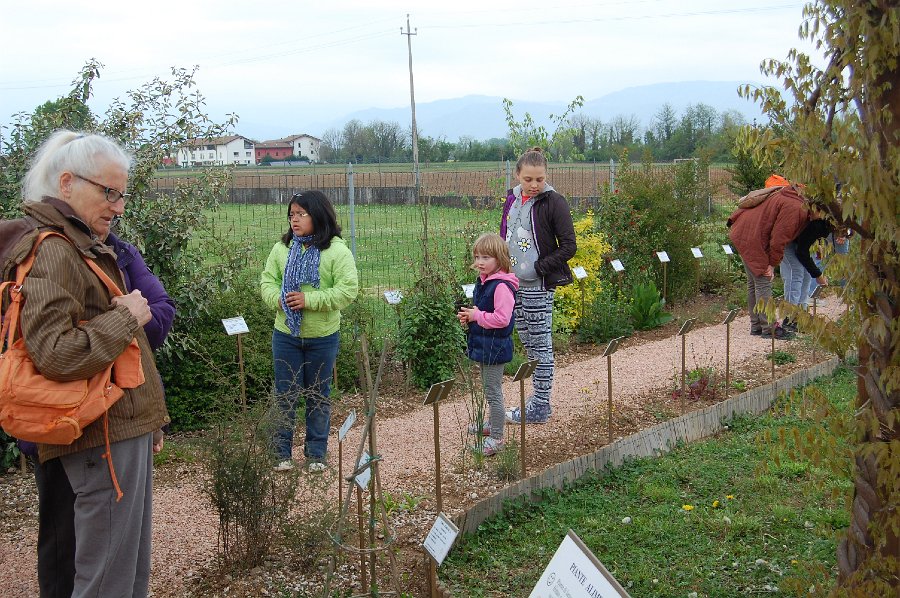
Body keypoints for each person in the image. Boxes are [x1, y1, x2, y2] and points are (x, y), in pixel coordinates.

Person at [10, 130, 169, 597]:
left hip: (117, 429)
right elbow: (55, 352)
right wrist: (126, 317)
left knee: (125, 574)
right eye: (108, 192)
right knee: (106, 583)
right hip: (99, 437)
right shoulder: (54, 250)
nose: (118, 206)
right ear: (66, 184)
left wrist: (147, 418)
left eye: (122, 195)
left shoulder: (83, 244)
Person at [260, 190, 359, 473]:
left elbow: (347, 291)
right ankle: (281, 453)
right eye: (291, 214)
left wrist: (309, 301)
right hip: (285, 335)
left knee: (318, 394)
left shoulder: (337, 251)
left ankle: (316, 453)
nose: (295, 220)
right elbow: (267, 282)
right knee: (285, 394)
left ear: (318, 215)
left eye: (301, 214)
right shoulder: (282, 249)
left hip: (322, 337)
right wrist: (277, 299)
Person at [499, 147, 576, 424]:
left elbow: (569, 246)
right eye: (528, 179)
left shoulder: (554, 202)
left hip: (538, 285)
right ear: (518, 175)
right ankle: (536, 401)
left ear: (546, 177)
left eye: (539, 179)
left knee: (541, 344)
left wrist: (538, 268)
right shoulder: (512, 200)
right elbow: (505, 235)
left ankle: (541, 404)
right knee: (529, 342)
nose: (533, 185)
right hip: (513, 283)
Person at [457, 233, 519, 456]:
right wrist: (470, 316)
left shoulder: (501, 286)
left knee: (493, 391)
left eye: (485, 257)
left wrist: (477, 316)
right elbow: (484, 312)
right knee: (488, 388)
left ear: (499, 259)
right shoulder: (484, 282)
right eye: (477, 257)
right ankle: (493, 424)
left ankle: (497, 438)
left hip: (495, 346)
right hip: (485, 344)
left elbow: (502, 319)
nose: (480, 262)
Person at [727, 176, 811, 339]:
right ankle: (769, 328)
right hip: (753, 238)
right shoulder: (795, 206)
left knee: (754, 283)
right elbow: (779, 239)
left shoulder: (786, 196)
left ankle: (757, 326)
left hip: (744, 231)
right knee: (764, 281)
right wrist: (771, 264)